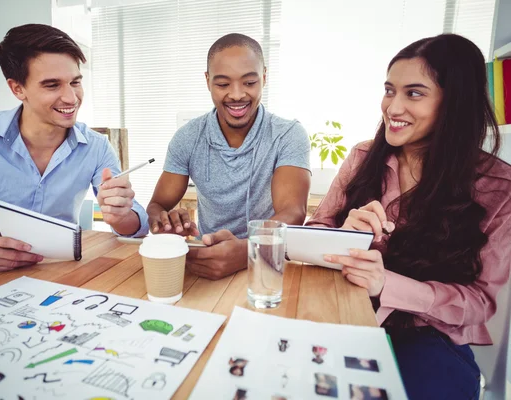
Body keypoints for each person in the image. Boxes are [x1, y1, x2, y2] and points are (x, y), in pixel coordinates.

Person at [306, 33, 511, 399]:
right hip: (346, 317)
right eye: (389, 90)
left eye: (414, 93)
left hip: (429, 340)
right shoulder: (361, 157)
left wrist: (388, 284)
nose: (393, 107)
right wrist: (342, 237)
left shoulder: (498, 187)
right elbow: (314, 231)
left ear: (454, 103)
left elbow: (481, 302)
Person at [0, 24, 148, 273]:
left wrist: (121, 216)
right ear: (17, 88)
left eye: (75, 82)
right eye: (52, 85)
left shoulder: (97, 146)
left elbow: (136, 227)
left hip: (62, 276)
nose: (71, 98)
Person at [147, 33, 311, 280]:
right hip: (207, 263)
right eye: (223, 84)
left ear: (264, 77)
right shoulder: (187, 137)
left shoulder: (288, 135)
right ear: (207, 81)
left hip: (267, 267)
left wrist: (247, 250)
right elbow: (156, 206)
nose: (236, 95)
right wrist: (166, 224)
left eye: (249, 82)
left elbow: (293, 213)